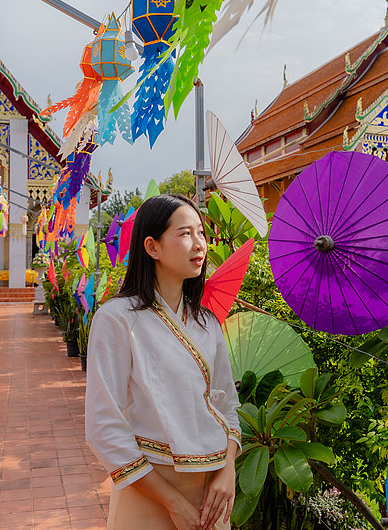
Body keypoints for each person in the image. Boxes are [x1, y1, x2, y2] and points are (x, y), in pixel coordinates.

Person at [85, 194, 241, 530]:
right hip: (148, 488)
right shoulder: (117, 319)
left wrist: (227, 468)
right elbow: (103, 426)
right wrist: (173, 503)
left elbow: (227, 403)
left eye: (201, 233)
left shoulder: (207, 322)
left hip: (212, 492)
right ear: (152, 247)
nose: (199, 244)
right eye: (185, 234)